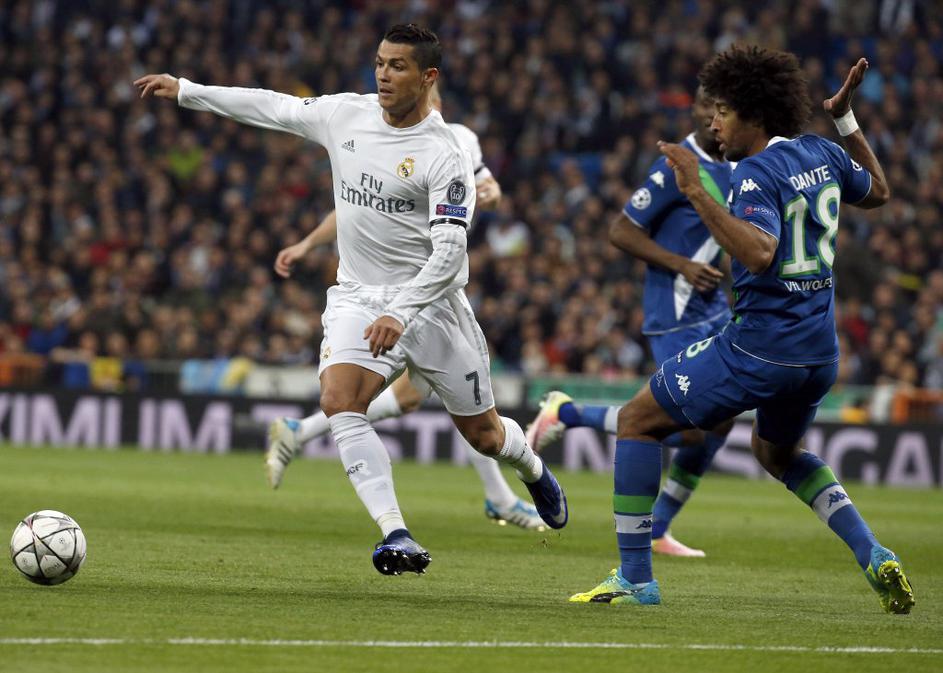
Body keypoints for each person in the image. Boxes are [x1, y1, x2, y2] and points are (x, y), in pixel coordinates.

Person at [135, 24, 567, 577]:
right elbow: (272, 107)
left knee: (486, 437)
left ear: (428, 77)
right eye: (380, 62)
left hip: (431, 306)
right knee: (340, 400)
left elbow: (451, 254)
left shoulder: (445, 153)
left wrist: (401, 311)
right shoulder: (346, 114)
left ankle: (531, 468)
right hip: (358, 295)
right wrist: (188, 90)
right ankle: (397, 533)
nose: (383, 74)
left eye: (398, 66)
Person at [569, 46, 914, 613]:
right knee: (777, 454)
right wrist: (845, 118)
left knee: (637, 422)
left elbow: (758, 252)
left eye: (723, 111)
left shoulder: (754, 171)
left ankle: (635, 579)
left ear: (754, 115)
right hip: (818, 353)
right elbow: (878, 191)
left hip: (759, 348)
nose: (713, 122)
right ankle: (873, 552)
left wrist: (696, 191)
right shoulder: (822, 151)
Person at [264, 83, 545, 531]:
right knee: (426, 397)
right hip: (391, 293)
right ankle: (497, 498)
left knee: (435, 401)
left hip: (437, 287)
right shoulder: (378, 134)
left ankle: (303, 431)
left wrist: (482, 193)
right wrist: (307, 244)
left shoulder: (457, 141)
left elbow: (489, 187)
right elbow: (353, 205)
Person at [527, 86, 734, 557]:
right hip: (674, 314)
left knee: (722, 423)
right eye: (707, 105)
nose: (713, 115)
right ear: (696, 110)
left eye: (722, 107)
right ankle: (567, 412)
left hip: (714, 309)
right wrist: (681, 265)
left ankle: (659, 528)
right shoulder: (673, 166)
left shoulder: (734, 164)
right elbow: (620, 231)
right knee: (688, 427)